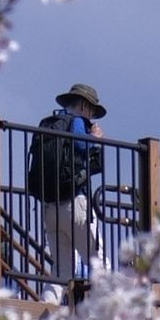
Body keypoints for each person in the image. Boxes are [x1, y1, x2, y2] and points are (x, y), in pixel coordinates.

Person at [24, 83, 108, 298]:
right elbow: (81, 145)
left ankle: (46, 310)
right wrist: (95, 139)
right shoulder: (77, 122)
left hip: (50, 207)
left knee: (61, 272)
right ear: (84, 105)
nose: (91, 117)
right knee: (99, 262)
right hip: (75, 203)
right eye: (92, 111)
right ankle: (105, 312)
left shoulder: (51, 124)